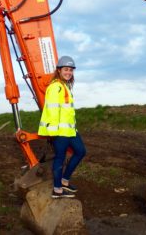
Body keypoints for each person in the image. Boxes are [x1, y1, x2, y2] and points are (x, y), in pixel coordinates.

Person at [38, 56, 87, 199]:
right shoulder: (55, 87)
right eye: (66, 69)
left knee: (80, 151)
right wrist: (54, 133)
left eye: (71, 70)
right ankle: (57, 190)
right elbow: (52, 110)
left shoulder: (65, 86)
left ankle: (64, 180)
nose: (69, 72)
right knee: (60, 158)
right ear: (59, 70)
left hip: (70, 130)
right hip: (60, 131)